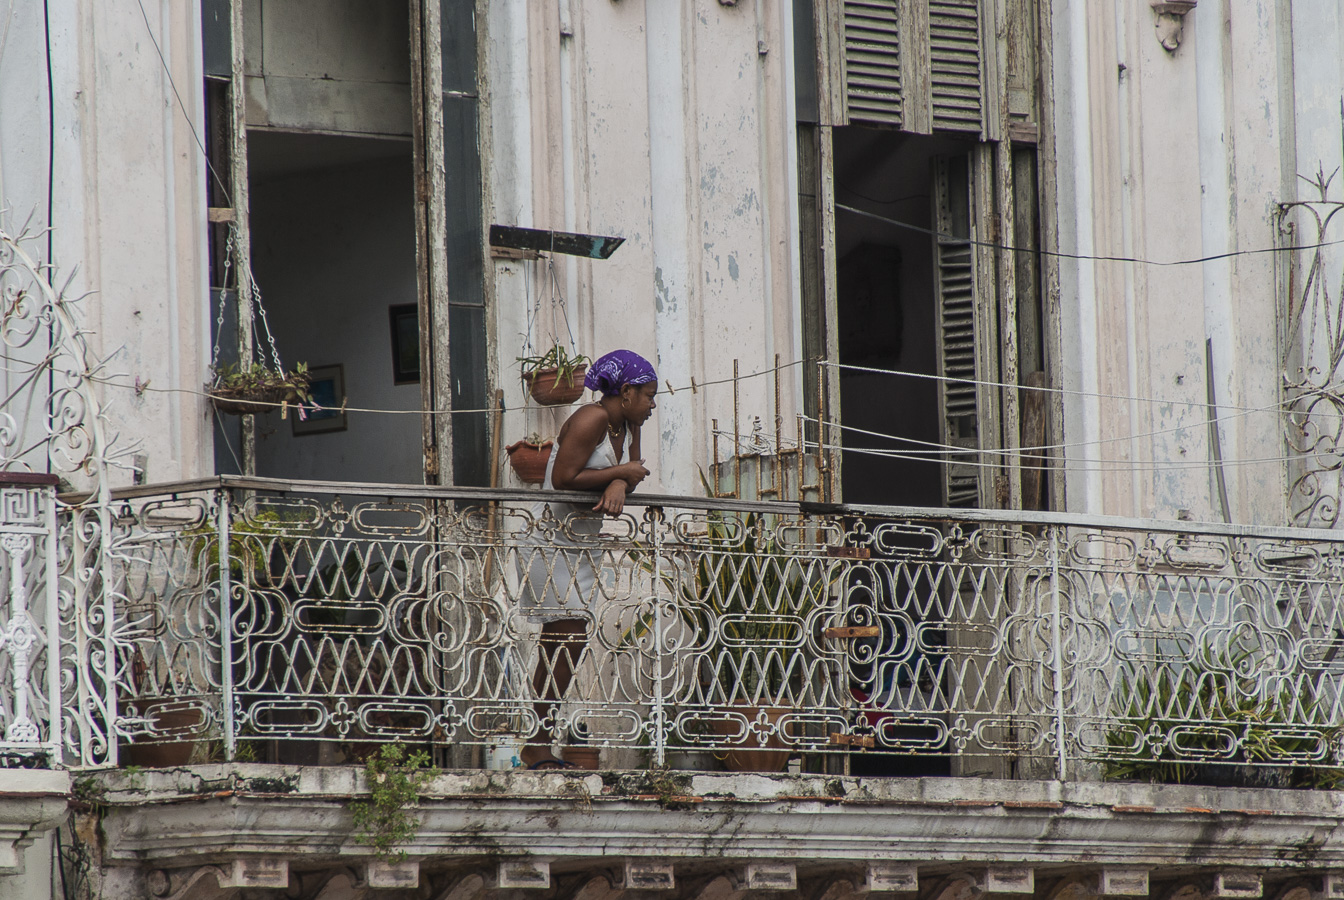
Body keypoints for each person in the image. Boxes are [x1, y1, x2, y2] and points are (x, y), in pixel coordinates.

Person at [517, 349, 658, 768]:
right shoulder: (591, 418)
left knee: (566, 644)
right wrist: (619, 477)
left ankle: (539, 741)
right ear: (627, 391)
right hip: (555, 542)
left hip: (582, 545)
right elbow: (562, 479)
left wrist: (619, 479)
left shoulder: (626, 425)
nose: (652, 405)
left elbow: (631, 473)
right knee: (568, 640)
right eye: (649, 395)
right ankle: (537, 742)